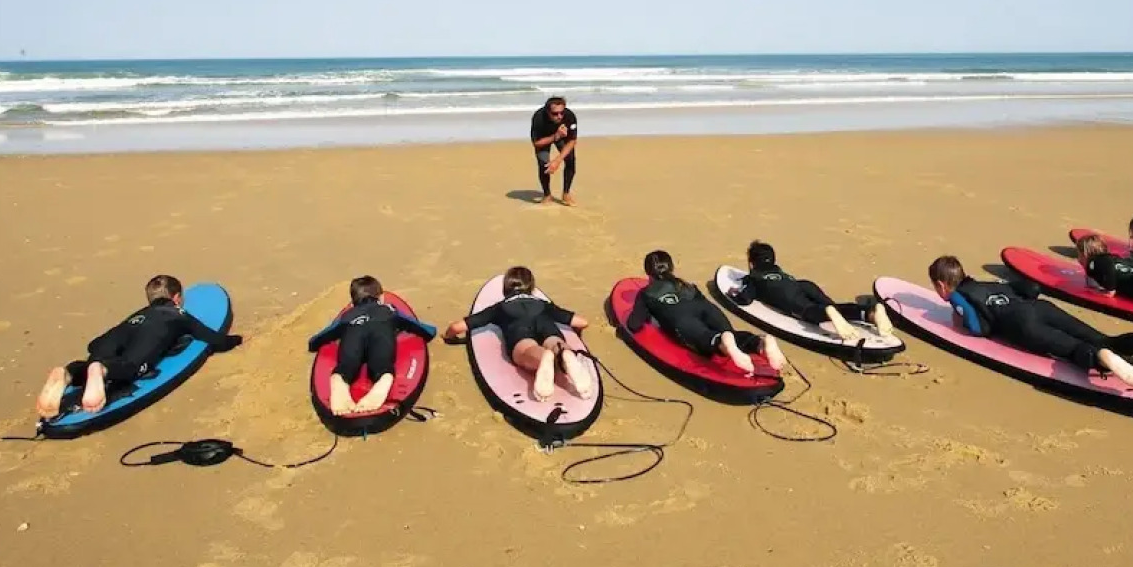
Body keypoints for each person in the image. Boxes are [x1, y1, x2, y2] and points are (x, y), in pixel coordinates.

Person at [927, 256, 1133, 390]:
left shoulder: (958, 297)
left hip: (1023, 325)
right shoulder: (988, 284)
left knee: (1071, 349)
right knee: (1104, 338)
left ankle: (1101, 357)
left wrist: (959, 319)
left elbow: (979, 329)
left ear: (942, 285)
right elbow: (1030, 288)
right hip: (1042, 308)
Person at [35, 274, 243, 418]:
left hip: (117, 335)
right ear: (177, 298)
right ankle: (102, 370)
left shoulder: (140, 313)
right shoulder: (177, 314)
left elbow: (94, 345)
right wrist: (236, 340)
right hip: (144, 341)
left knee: (94, 361)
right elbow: (213, 339)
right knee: (130, 366)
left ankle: (69, 373)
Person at [444, 266, 595, 401]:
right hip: (545, 324)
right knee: (555, 341)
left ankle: (543, 357)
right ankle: (563, 353)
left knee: (526, 350)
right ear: (532, 288)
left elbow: (457, 327)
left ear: (505, 289)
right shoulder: (544, 304)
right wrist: (578, 334)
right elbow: (582, 322)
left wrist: (448, 336)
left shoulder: (499, 308)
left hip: (519, 331)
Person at [627, 250, 786, 374]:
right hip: (706, 309)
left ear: (647, 272)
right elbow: (700, 302)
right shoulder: (686, 285)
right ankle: (759, 342)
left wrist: (649, 315)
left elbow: (634, 324)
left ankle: (722, 340)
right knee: (732, 335)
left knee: (707, 339)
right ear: (672, 267)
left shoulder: (646, 294)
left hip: (682, 319)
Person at [307, 275, 438, 416]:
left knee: (347, 364)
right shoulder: (390, 310)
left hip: (353, 334)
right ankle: (384, 378)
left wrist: (314, 344)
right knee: (382, 364)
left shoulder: (347, 316)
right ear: (381, 298)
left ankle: (339, 378)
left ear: (353, 303)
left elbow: (318, 339)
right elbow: (426, 330)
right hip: (380, 335)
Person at [730, 240, 895, 341]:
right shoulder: (778, 271)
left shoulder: (754, 278)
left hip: (789, 297)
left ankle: (827, 312)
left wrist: (733, 294)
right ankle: (869, 312)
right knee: (836, 307)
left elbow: (746, 299)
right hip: (802, 284)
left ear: (751, 263)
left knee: (808, 311)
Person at [530, 96, 578, 205]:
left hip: (562, 137)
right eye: (555, 114)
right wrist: (556, 136)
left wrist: (557, 160)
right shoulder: (539, 118)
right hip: (545, 138)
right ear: (547, 111)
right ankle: (547, 195)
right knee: (543, 164)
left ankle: (566, 194)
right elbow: (536, 143)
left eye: (562, 112)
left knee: (570, 160)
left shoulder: (569, 116)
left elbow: (572, 140)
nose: (559, 116)